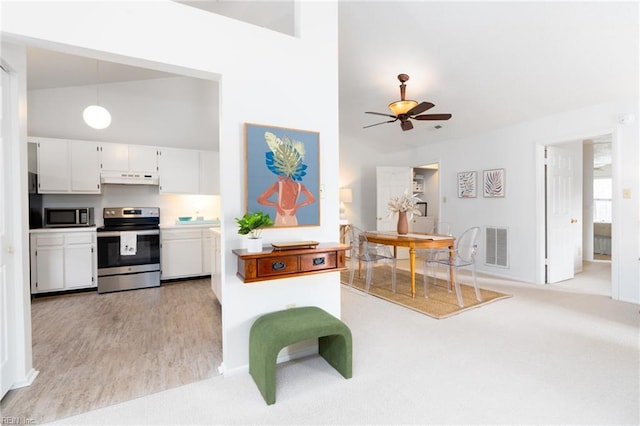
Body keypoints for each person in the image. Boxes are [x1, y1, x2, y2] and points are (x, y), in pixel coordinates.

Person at [256, 132, 316, 226]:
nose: (278, 175)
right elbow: (311, 199)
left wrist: (276, 205)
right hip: (289, 216)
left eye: (279, 172)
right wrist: (295, 206)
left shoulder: (278, 185)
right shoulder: (298, 186)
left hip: (284, 216)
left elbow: (260, 199)